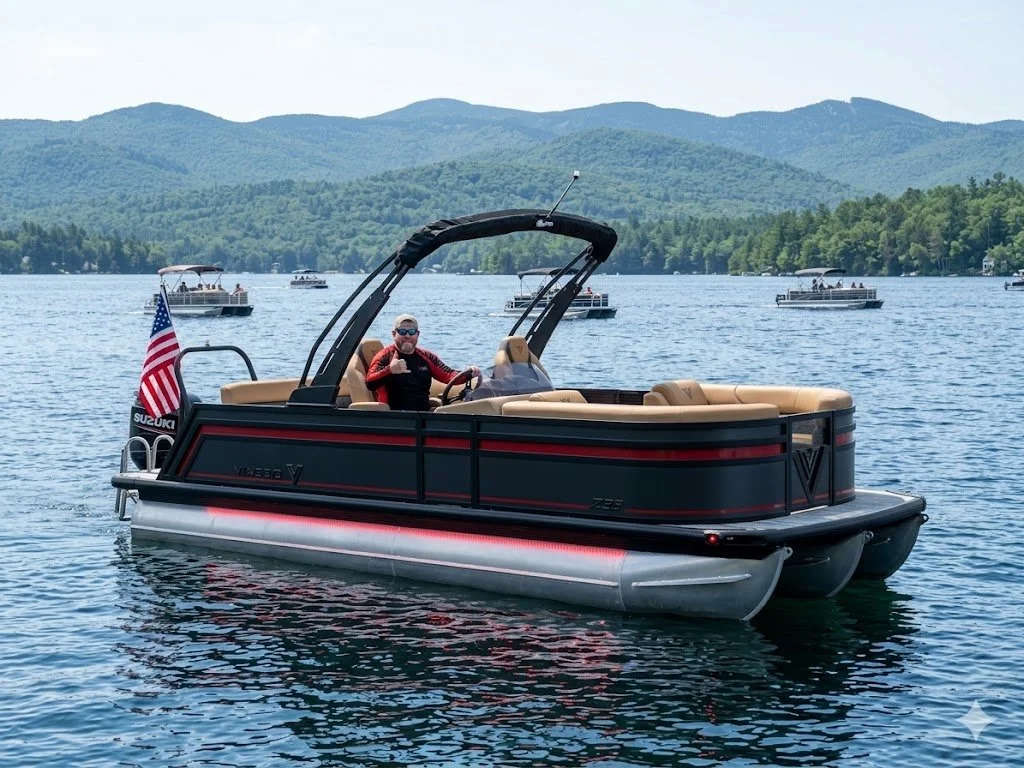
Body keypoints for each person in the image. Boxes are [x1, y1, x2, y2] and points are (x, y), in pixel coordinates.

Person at [365, 314, 480, 411]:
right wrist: (390, 370)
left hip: (422, 415)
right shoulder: (385, 356)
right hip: (394, 417)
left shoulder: (426, 356)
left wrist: (470, 373)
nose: (407, 335)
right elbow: (370, 383)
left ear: (417, 334)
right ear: (394, 334)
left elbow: (448, 375)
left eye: (411, 331)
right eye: (402, 331)